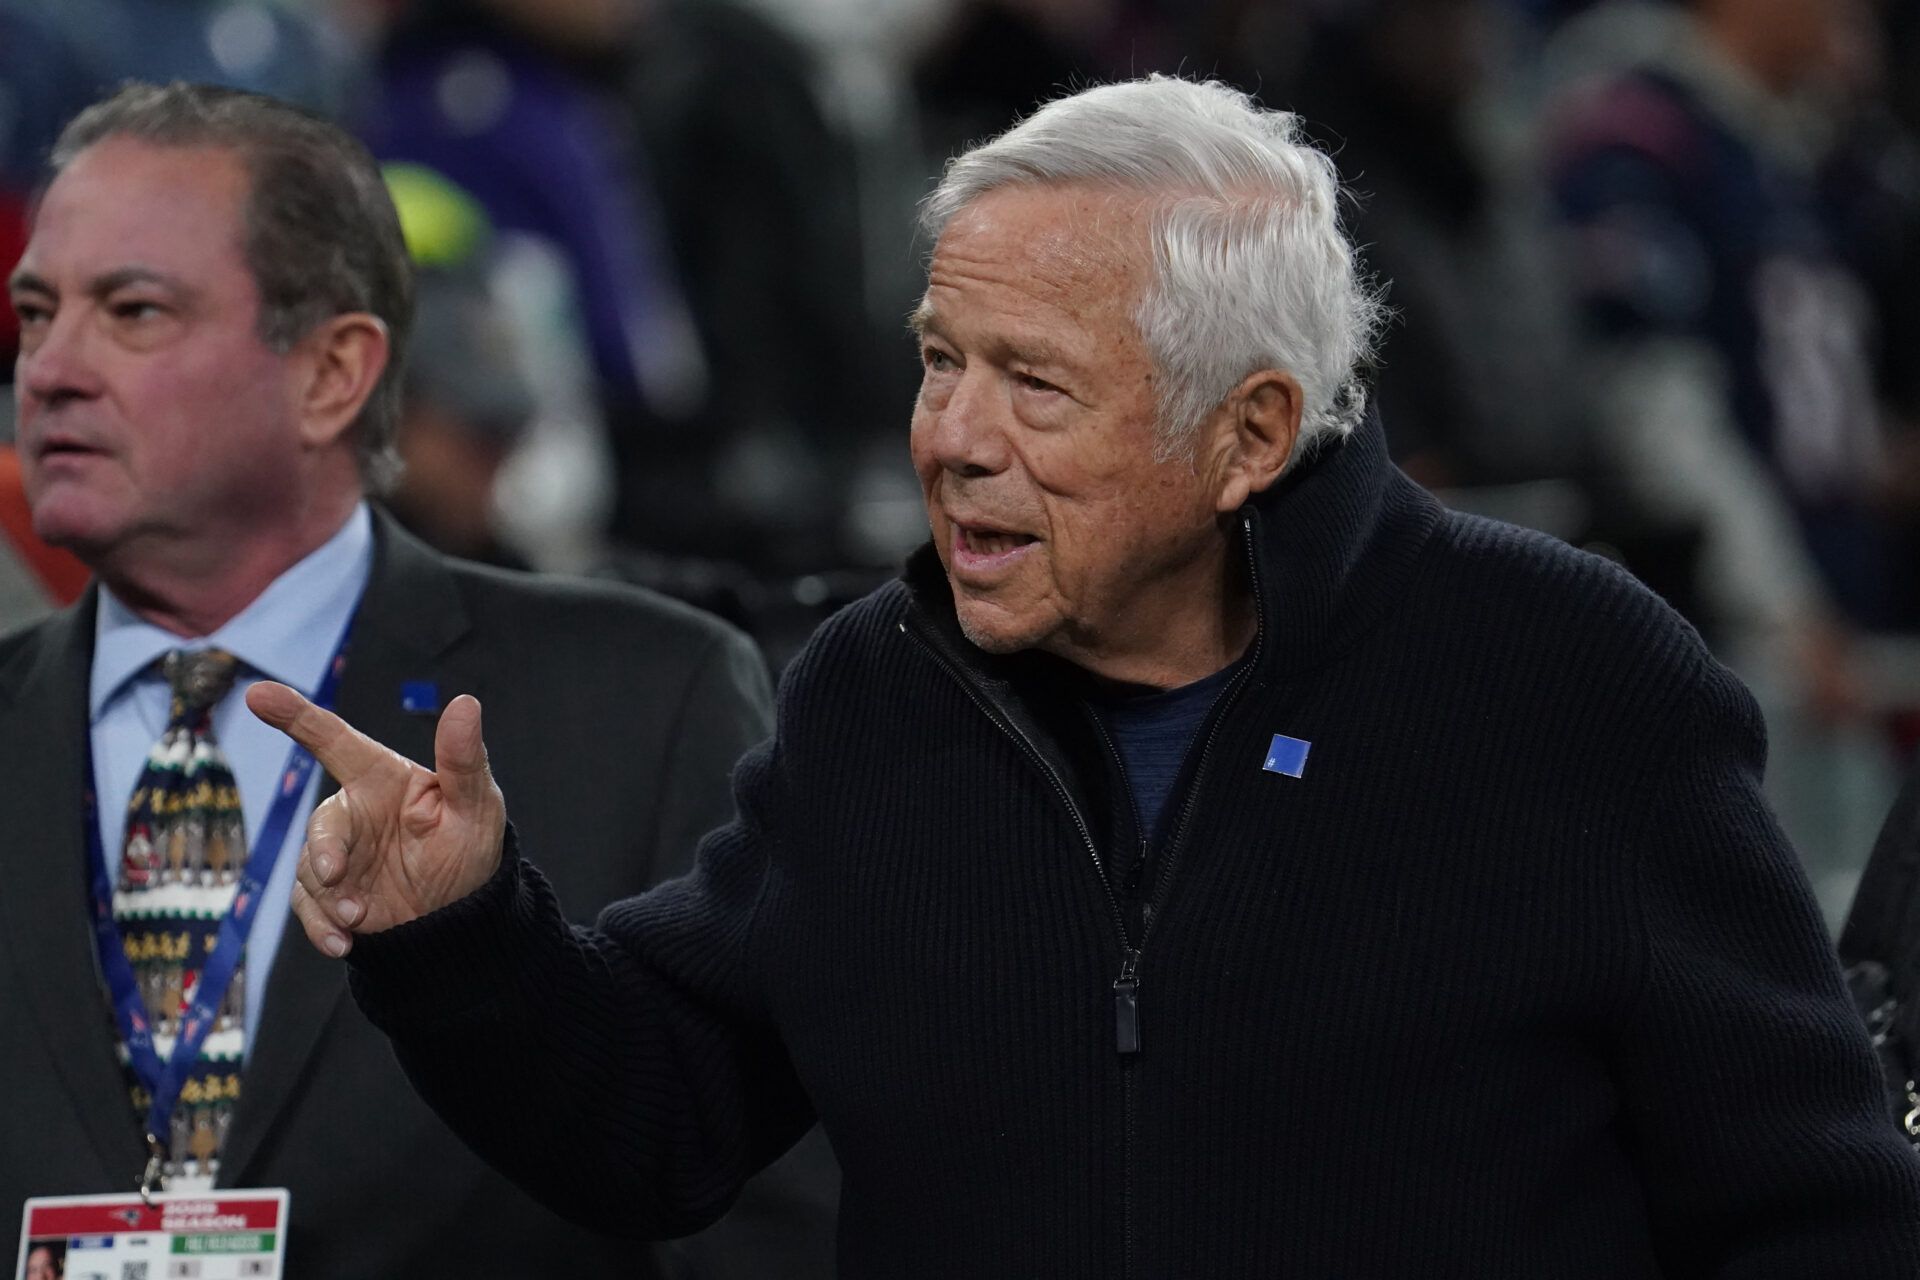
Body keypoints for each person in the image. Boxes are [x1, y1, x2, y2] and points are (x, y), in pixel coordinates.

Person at [256, 76, 1920, 1274]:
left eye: (1033, 386)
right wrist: (463, 934)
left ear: (1249, 434)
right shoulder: (876, 696)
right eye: (939, 361)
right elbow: (659, 1123)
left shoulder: (1567, 680)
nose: (952, 439)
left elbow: (1813, 1213)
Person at [0, 81, 835, 1276]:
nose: (50, 369)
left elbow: (765, 1213)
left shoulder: (647, 697)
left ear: (332, 372)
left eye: (132, 310)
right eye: (37, 313)